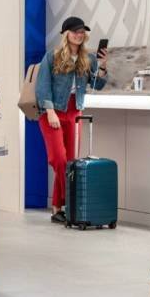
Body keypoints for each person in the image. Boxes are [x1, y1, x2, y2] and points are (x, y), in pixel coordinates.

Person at [34, 16, 108, 223]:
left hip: (75, 112)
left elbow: (98, 85)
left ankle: (58, 209)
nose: (79, 34)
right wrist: (50, 111)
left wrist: (102, 66)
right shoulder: (53, 56)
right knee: (58, 159)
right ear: (66, 34)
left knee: (69, 162)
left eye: (82, 31)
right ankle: (71, 201)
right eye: (75, 31)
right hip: (53, 111)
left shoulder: (88, 58)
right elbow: (42, 86)